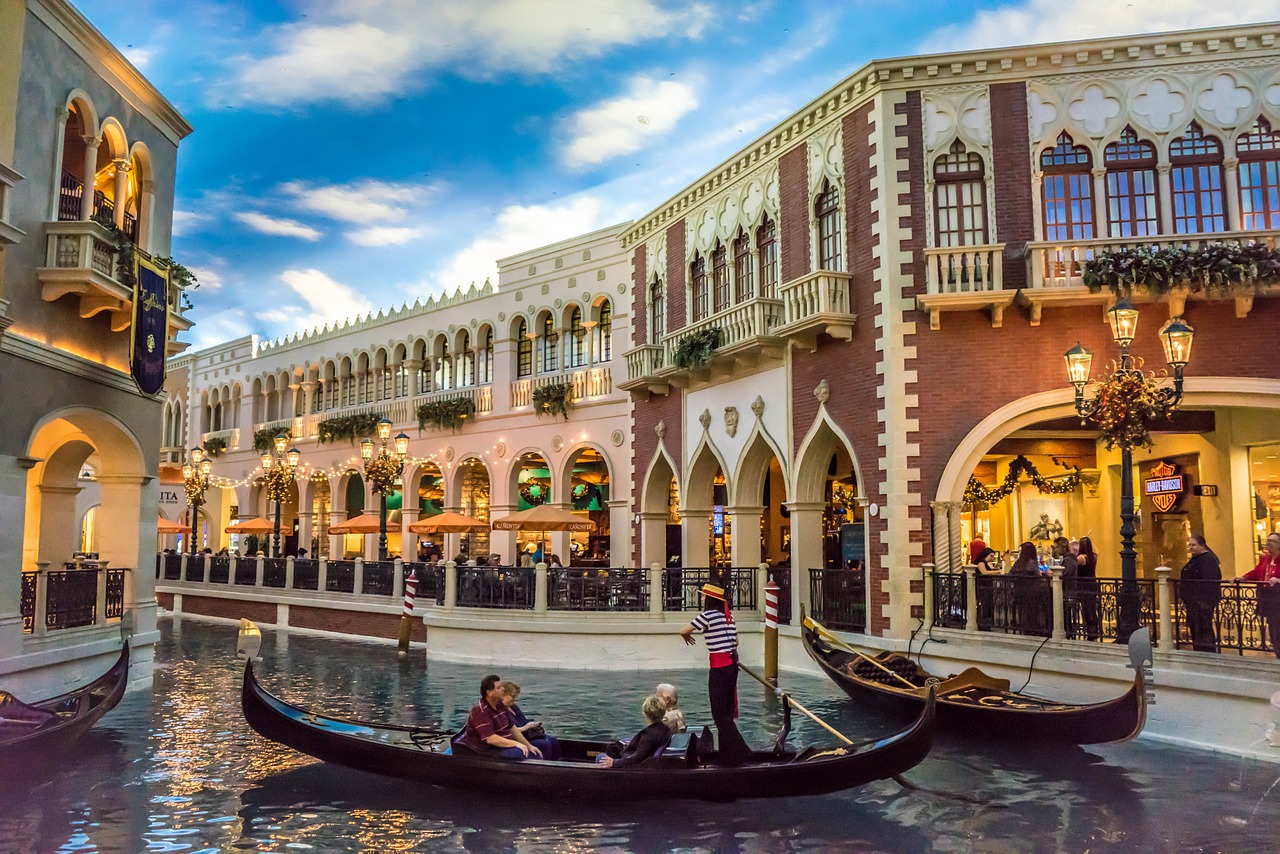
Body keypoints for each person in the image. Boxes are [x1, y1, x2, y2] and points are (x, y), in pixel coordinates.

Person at [679, 583, 752, 766]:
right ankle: (728, 755)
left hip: (719, 669)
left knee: (720, 715)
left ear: (709, 599)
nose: (701, 598)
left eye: (703, 596)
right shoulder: (729, 617)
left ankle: (742, 753)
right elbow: (737, 641)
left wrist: (687, 636)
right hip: (732, 667)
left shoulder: (708, 615)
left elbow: (684, 630)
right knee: (725, 713)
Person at [460, 674, 542, 760]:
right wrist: (515, 743)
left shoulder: (500, 705)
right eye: (499, 688)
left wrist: (528, 745)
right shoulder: (480, 710)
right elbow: (491, 739)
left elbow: (512, 728)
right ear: (489, 693)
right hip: (487, 750)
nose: (503, 689)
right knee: (520, 753)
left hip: (502, 743)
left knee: (543, 746)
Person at [597, 695, 671, 768]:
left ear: (645, 713)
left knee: (600, 757)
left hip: (634, 766)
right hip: (643, 760)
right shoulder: (665, 729)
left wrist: (614, 762)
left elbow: (637, 758)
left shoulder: (649, 736)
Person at [498, 680, 561, 759]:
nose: (515, 699)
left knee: (553, 740)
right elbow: (506, 731)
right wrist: (525, 728)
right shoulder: (500, 711)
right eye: (513, 696)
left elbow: (524, 722)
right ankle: (544, 765)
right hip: (516, 739)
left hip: (527, 735)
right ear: (503, 695)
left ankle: (557, 762)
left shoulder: (514, 707)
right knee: (545, 744)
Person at [1240, 533, 1280, 658]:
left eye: (1272, 541)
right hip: (1268, 598)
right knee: (1273, 626)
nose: (1268, 543)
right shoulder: (1266, 559)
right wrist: (1243, 577)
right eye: (1267, 541)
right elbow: (1257, 572)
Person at [1181, 534, 1222, 653]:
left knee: (1203, 627)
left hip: (1202, 601)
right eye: (1190, 545)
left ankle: (1206, 650)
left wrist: (1201, 599)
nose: (1191, 547)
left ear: (1202, 545)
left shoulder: (1208, 559)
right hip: (1193, 600)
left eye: (1193, 545)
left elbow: (1208, 581)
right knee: (1195, 626)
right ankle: (1199, 648)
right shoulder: (1196, 558)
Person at [1076, 536, 1101, 640]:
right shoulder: (1094, 556)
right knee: (1092, 608)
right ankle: (1094, 630)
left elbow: (1073, 563)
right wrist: (1091, 541)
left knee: (1086, 609)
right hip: (1092, 584)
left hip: (1084, 585)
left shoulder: (1081, 558)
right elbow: (1097, 550)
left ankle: (1090, 631)